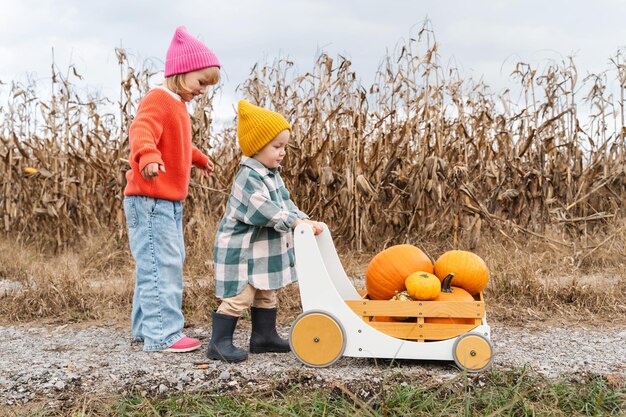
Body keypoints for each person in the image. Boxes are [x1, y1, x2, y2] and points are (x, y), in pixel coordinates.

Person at [123, 26, 220, 353]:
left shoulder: (177, 105)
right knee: (161, 264)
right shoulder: (158, 99)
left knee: (155, 263)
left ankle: (144, 330)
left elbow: (178, 144)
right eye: (201, 82)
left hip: (164, 202)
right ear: (180, 71)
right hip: (150, 200)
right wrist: (147, 155)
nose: (204, 90)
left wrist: (198, 158)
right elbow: (142, 130)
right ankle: (162, 335)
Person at [208, 100, 323, 363]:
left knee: (266, 290)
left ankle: (264, 336)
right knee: (241, 294)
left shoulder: (272, 174)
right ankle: (218, 343)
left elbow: (285, 203)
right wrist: (294, 224)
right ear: (257, 147)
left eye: (284, 146)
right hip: (243, 251)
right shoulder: (248, 176)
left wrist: (304, 219)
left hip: (262, 250)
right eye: (276, 146)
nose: (282, 152)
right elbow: (265, 210)